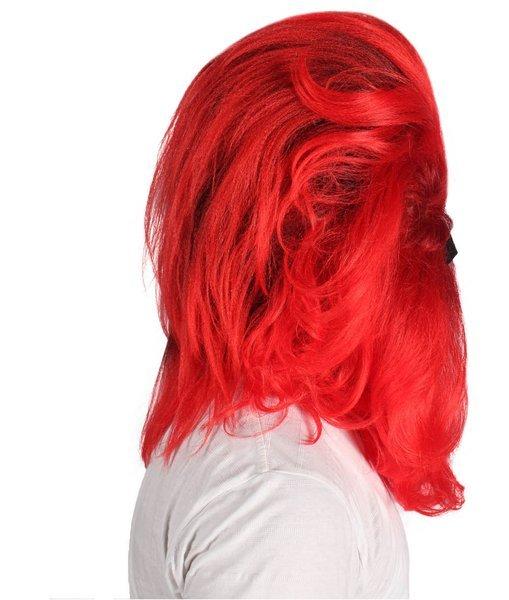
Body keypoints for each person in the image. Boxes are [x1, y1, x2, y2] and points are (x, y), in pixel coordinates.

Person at [129, 11, 467, 599]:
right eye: (406, 212)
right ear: (328, 250)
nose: (435, 244)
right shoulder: (282, 499)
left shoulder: (270, 447)